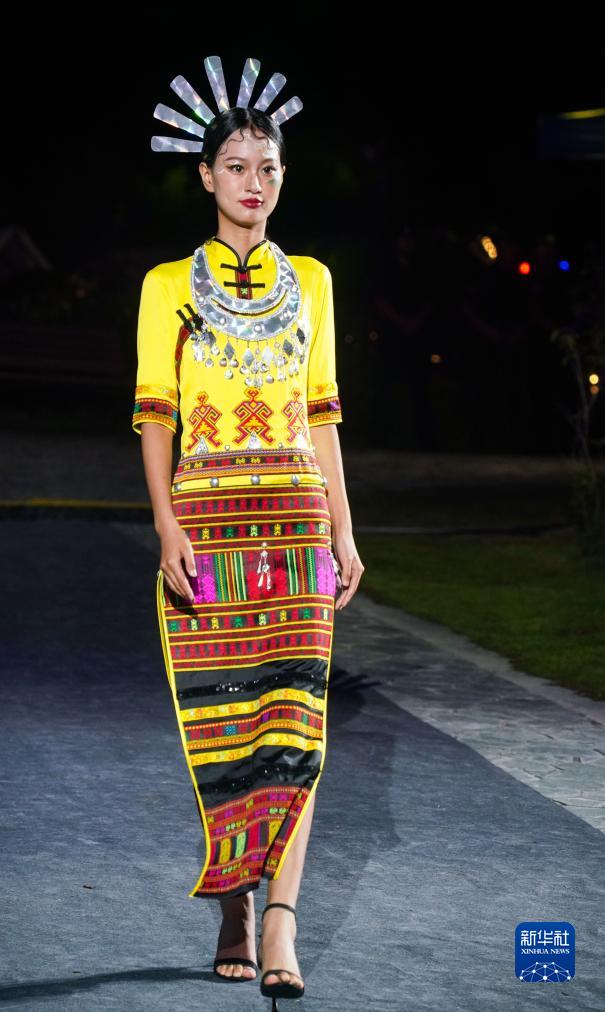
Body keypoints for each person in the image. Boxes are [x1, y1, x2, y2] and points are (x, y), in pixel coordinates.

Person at [132, 56, 364, 1006]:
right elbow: (155, 415)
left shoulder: (312, 281)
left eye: (267, 167)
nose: (253, 182)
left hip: (296, 527)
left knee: (296, 730)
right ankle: (232, 901)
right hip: (207, 528)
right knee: (226, 731)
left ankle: (279, 924)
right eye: (235, 166)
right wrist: (165, 528)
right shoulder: (163, 286)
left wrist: (344, 530)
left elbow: (322, 413)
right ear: (205, 176)